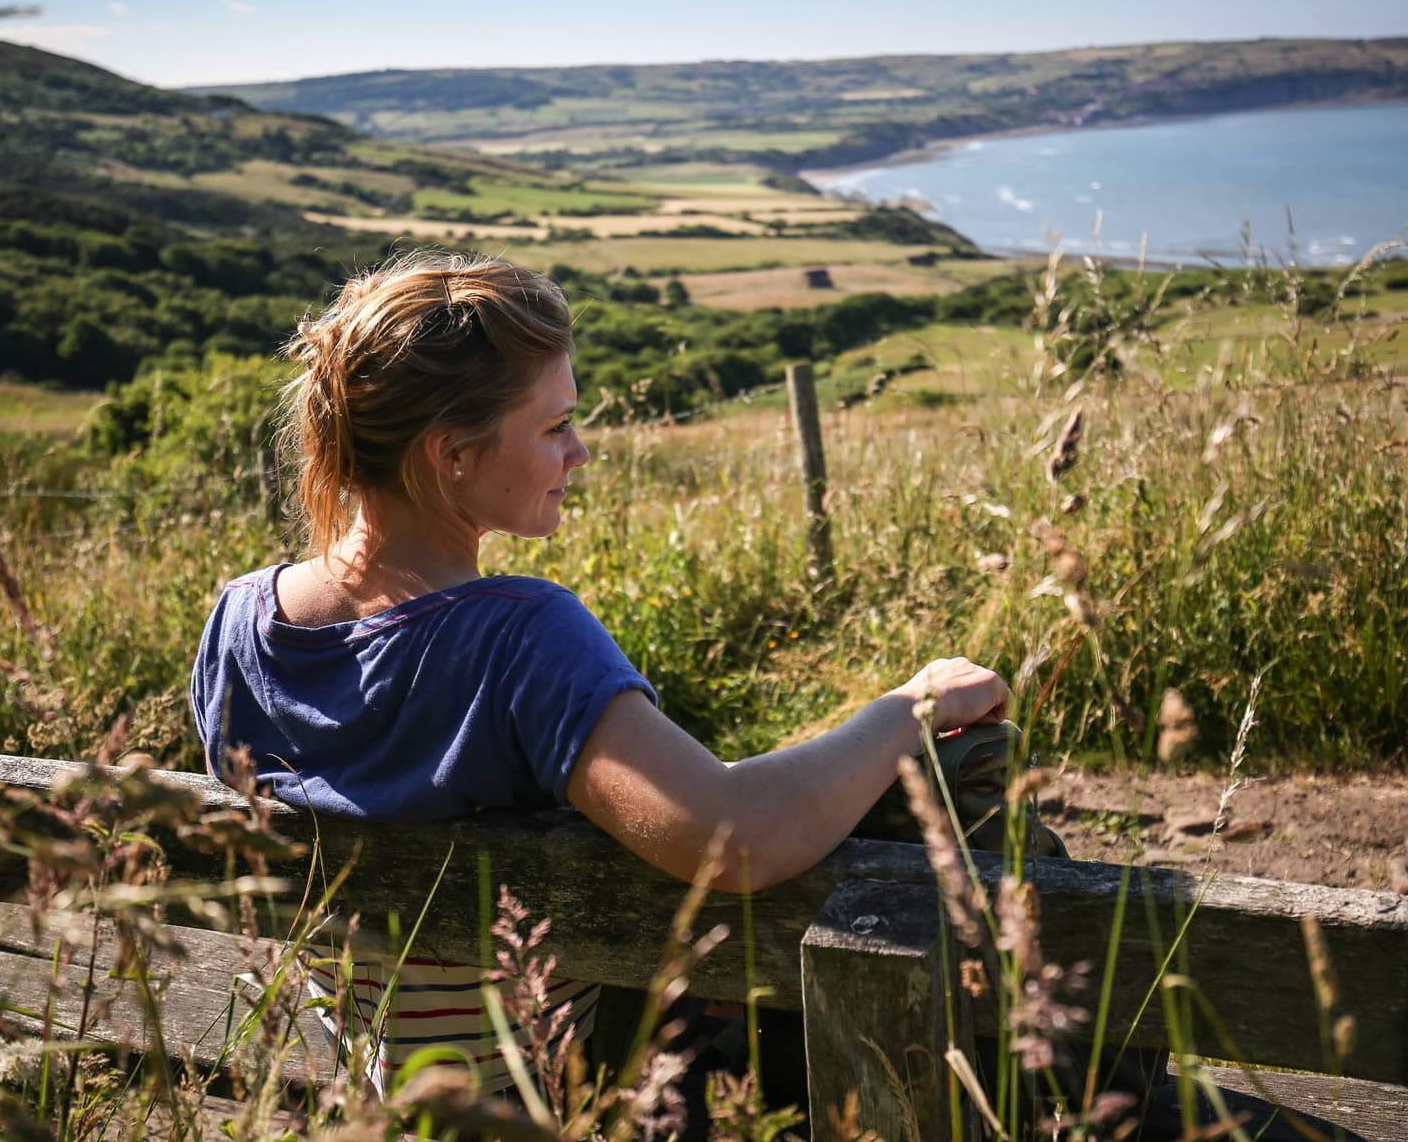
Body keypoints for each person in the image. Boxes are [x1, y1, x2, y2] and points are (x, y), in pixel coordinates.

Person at [189, 250, 1010, 1093]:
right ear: (452, 455)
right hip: (553, 1093)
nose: (579, 452)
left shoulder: (239, 627)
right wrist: (910, 705)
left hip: (364, 1087)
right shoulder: (520, 640)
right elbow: (737, 837)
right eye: (554, 427)